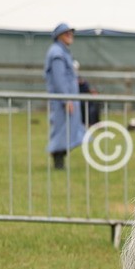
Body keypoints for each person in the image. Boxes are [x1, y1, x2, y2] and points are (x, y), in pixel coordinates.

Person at [44, 23, 86, 169]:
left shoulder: (63, 52)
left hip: (67, 99)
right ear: (58, 36)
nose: (70, 35)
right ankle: (58, 164)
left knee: (67, 130)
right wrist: (66, 99)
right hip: (62, 101)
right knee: (62, 131)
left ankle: (60, 163)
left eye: (71, 33)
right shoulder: (57, 53)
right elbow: (59, 78)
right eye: (66, 33)